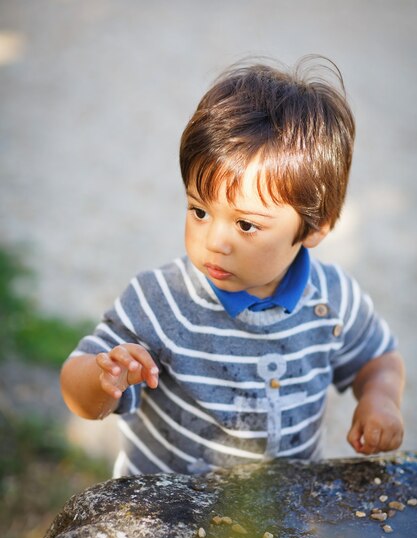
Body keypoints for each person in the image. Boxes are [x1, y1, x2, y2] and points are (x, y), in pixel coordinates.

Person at [61, 57, 405, 477]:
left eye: (245, 224)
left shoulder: (334, 301)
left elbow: (379, 359)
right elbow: (78, 392)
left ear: (317, 227)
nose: (214, 241)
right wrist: (103, 378)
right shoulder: (161, 301)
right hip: (168, 518)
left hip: (279, 521)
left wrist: (380, 399)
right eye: (199, 211)